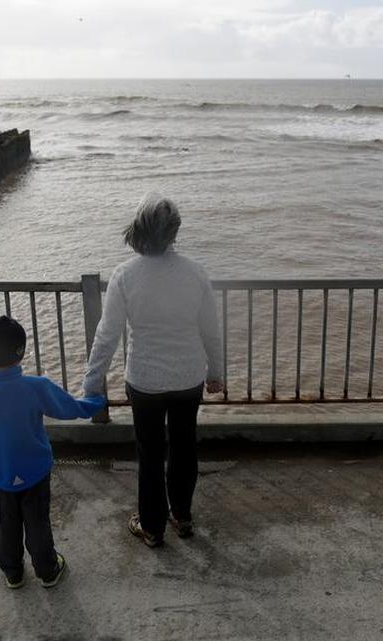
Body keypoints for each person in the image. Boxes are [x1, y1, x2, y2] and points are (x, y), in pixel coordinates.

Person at [82, 193, 224, 548]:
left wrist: (92, 381)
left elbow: (107, 334)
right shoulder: (195, 272)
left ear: (140, 228)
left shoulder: (125, 275)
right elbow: (210, 329)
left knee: (149, 455)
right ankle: (183, 515)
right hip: (188, 377)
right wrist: (216, 371)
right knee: (183, 448)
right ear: (174, 231)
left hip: (144, 381)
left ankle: (152, 527)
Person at [0, 315, 106, 589]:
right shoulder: (35, 386)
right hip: (36, 471)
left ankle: (13, 573)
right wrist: (95, 402)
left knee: (5, 524)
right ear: (21, 351)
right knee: (37, 522)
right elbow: (68, 407)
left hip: (2, 474)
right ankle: (48, 570)